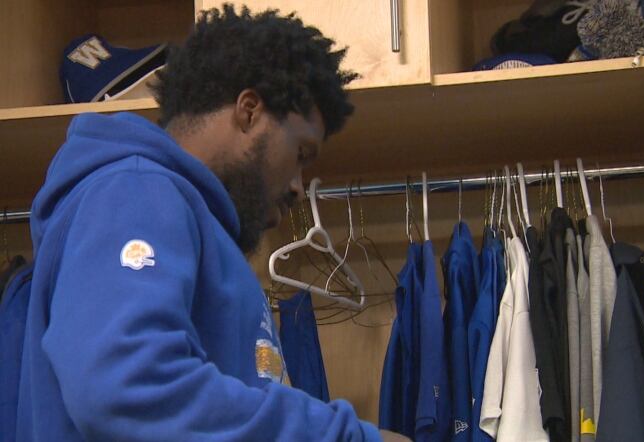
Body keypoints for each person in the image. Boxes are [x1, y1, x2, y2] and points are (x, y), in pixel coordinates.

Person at [15, 4, 408, 441]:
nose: (298, 187)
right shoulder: (137, 191)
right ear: (249, 111)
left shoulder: (187, 221)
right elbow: (126, 386)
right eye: (300, 154)